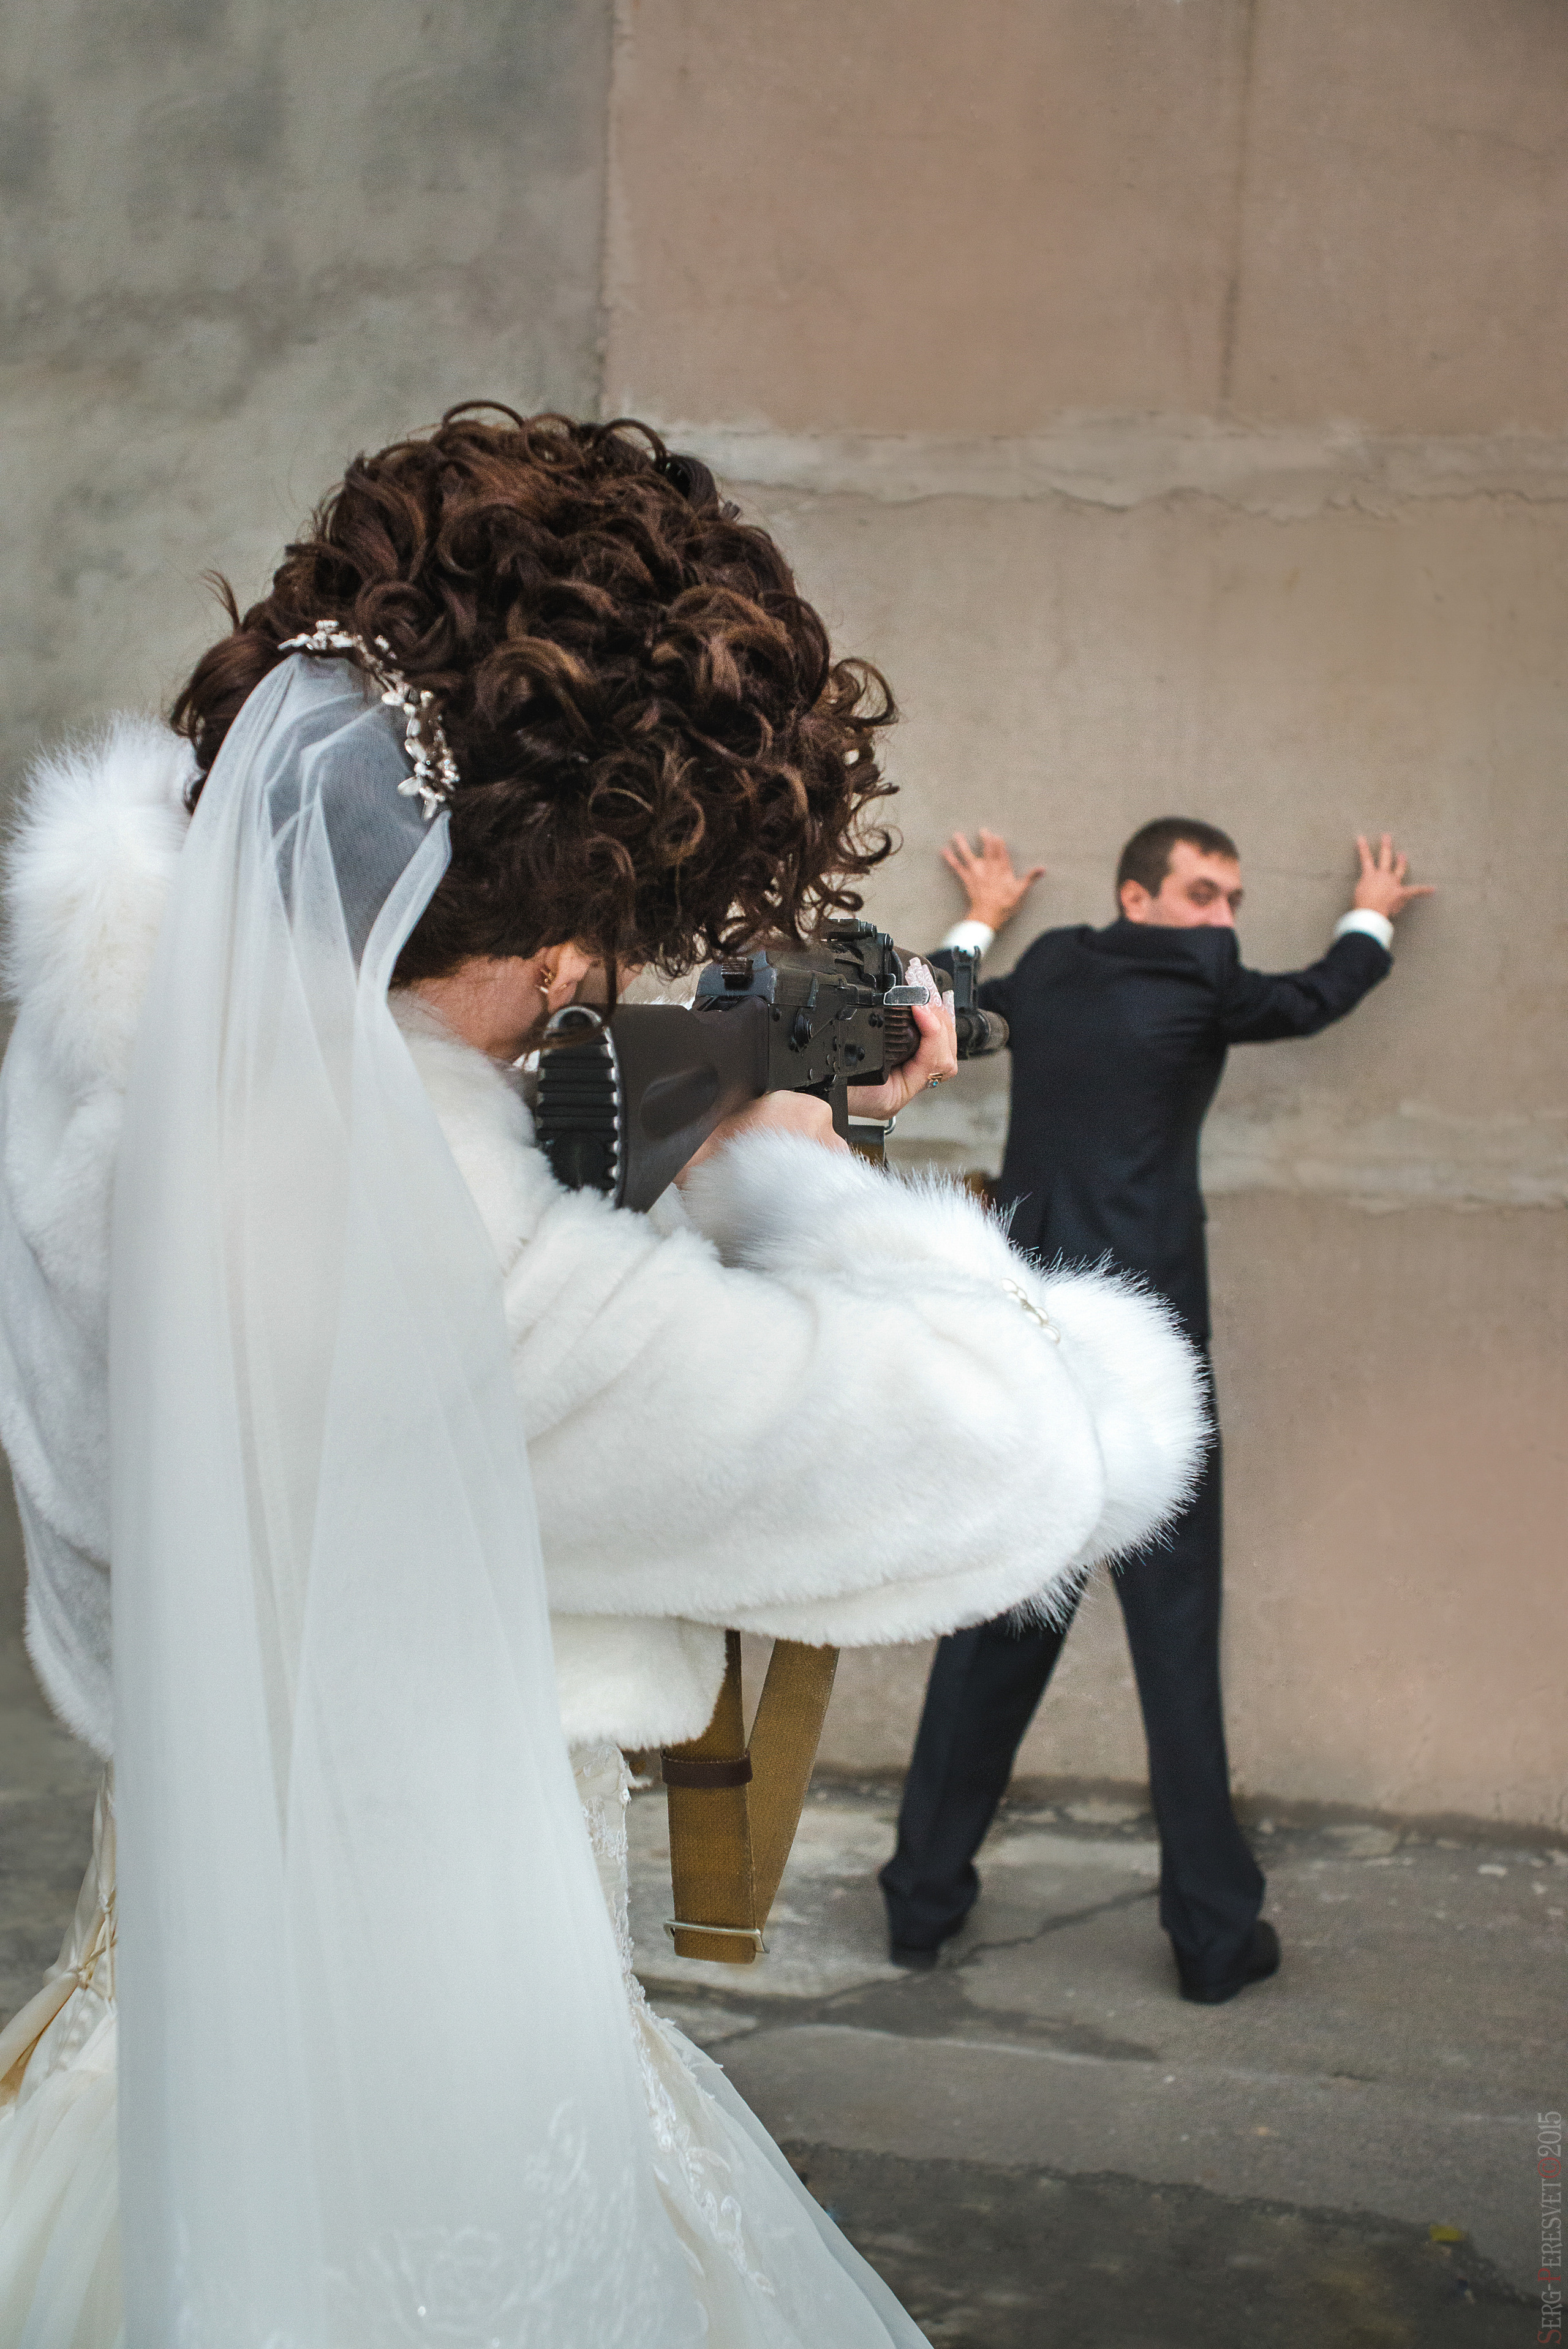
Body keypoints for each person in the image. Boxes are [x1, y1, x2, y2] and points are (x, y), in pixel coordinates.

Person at [0, 412, 1205, 2348]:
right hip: (421, 2106)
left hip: (141, 2031)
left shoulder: (110, 1054)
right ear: (567, 919)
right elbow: (1032, 1443)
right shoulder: (445, 1283)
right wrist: (796, 1167)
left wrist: (637, 1103)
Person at [881, 815, 1432, 2002]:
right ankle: (1211, 1938)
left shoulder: (1054, 972)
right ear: (1137, 899)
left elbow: (942, 1014)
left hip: (1031, 1353)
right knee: (1172, 1644)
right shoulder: (1206, 980)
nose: (1220, 919)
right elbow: (1312, 1000)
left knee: (996, 1628)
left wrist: (978, 913)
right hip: (1144, 1366)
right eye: (1200, 893)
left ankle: (918, 1904)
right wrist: (1370, 915)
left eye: (1230, 898)